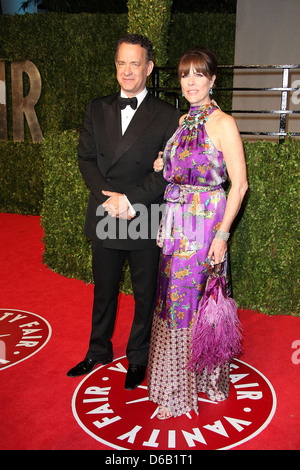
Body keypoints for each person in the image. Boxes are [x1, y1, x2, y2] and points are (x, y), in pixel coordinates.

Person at [67, 34, 180, 390]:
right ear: (115, 65)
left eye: (135, 63)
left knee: (145, 293)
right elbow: (86, 158)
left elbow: (167, 172)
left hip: (143, 212)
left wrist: (128, 201)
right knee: (104, 290)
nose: (127, 71)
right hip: (106, 209)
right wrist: (108, 199)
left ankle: (138, 357)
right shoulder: (96, 107)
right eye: (121, 63)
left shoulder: (167, 115)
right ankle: (98, 350)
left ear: (148, 67)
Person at [147, 46, 248, 419]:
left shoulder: (224, 123)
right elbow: (182, 163)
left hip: (205, 225)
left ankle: (179, 393)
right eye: (185, 75)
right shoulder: (183, 122)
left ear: (212, 79)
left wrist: (222, 237)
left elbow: (239, 186)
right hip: (177, 225)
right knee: (175, 299)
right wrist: (163, 161)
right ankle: (203, 378)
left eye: (198, 75)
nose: (191, 82)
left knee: (191, 301)